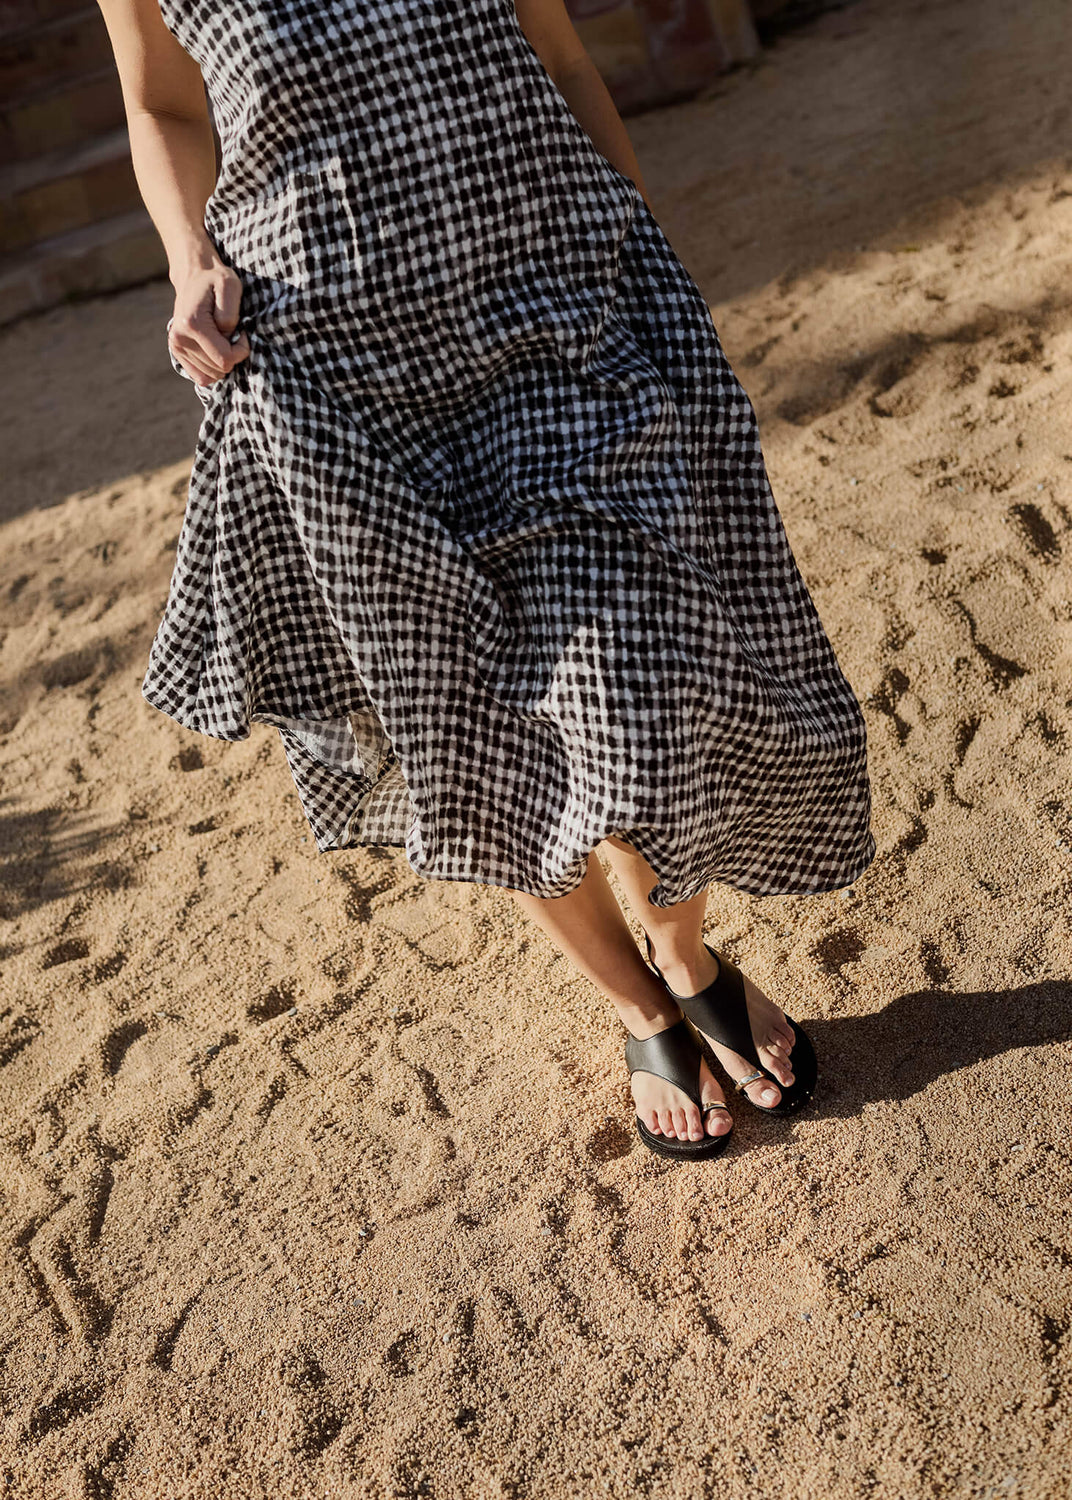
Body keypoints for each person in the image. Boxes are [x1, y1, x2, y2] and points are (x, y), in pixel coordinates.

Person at [97, 0, 874, 1163]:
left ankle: (682, 949)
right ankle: (639, 1005)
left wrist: (631, 232)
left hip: (547, 310)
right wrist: (189, 259)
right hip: (335, 361)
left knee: (633, 679)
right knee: (461, 717)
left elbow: (556, 53)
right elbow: (159, 101)